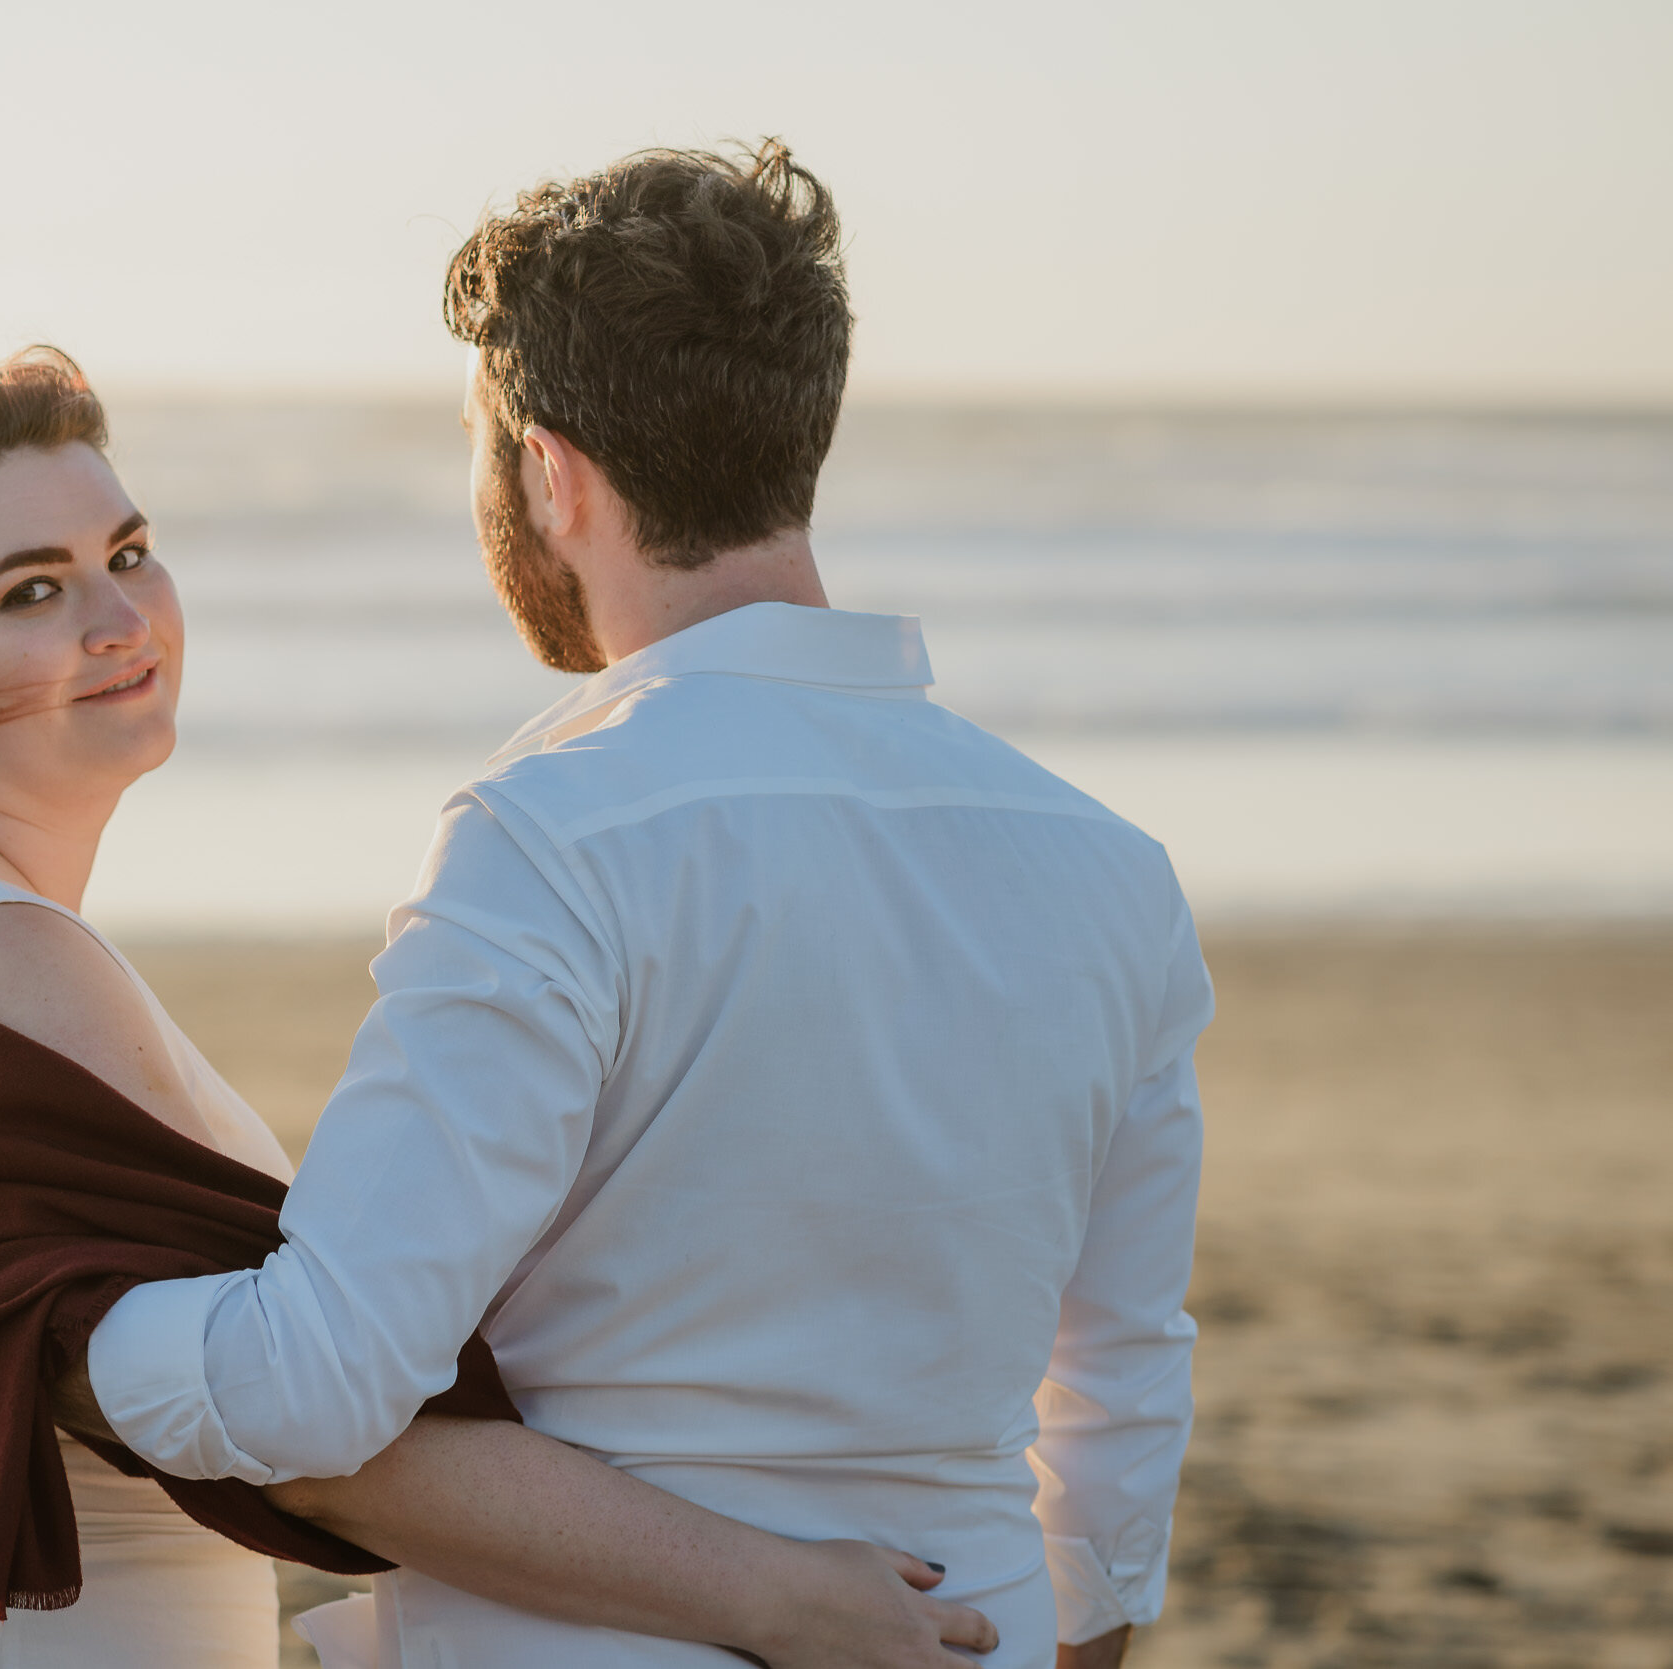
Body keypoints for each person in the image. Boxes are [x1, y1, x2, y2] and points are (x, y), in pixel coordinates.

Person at [0, 348, 998, 1668]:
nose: (120, 621)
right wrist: (783, 1598)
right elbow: (325, 1444)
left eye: (126, 554)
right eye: (28, 593)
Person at [70, 142, 1209, 1669]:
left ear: (549, 472)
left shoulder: (553, 839)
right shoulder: (1111, 871)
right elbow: (1121, 1388)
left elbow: (318, 1382)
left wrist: (52, 1330)